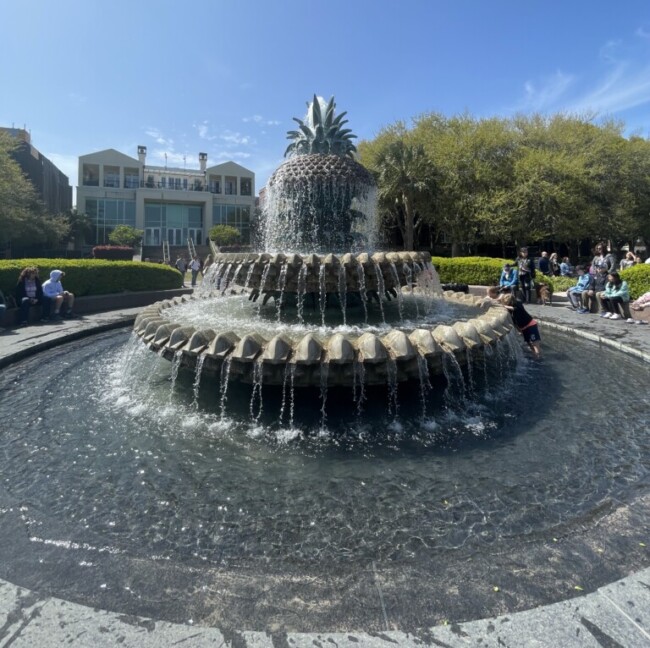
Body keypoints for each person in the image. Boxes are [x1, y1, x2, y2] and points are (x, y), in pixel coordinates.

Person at [501, 293, 541, 359]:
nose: (506, 304)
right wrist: (519, 330)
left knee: (535, 343)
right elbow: (514, 323)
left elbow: (515, 308)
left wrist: (504, 306)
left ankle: (538, 357)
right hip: (523, 328)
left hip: (531, 325)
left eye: (507, 302)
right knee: (529, 343)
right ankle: (534, 355)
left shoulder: (518, 304)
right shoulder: (509, 311)